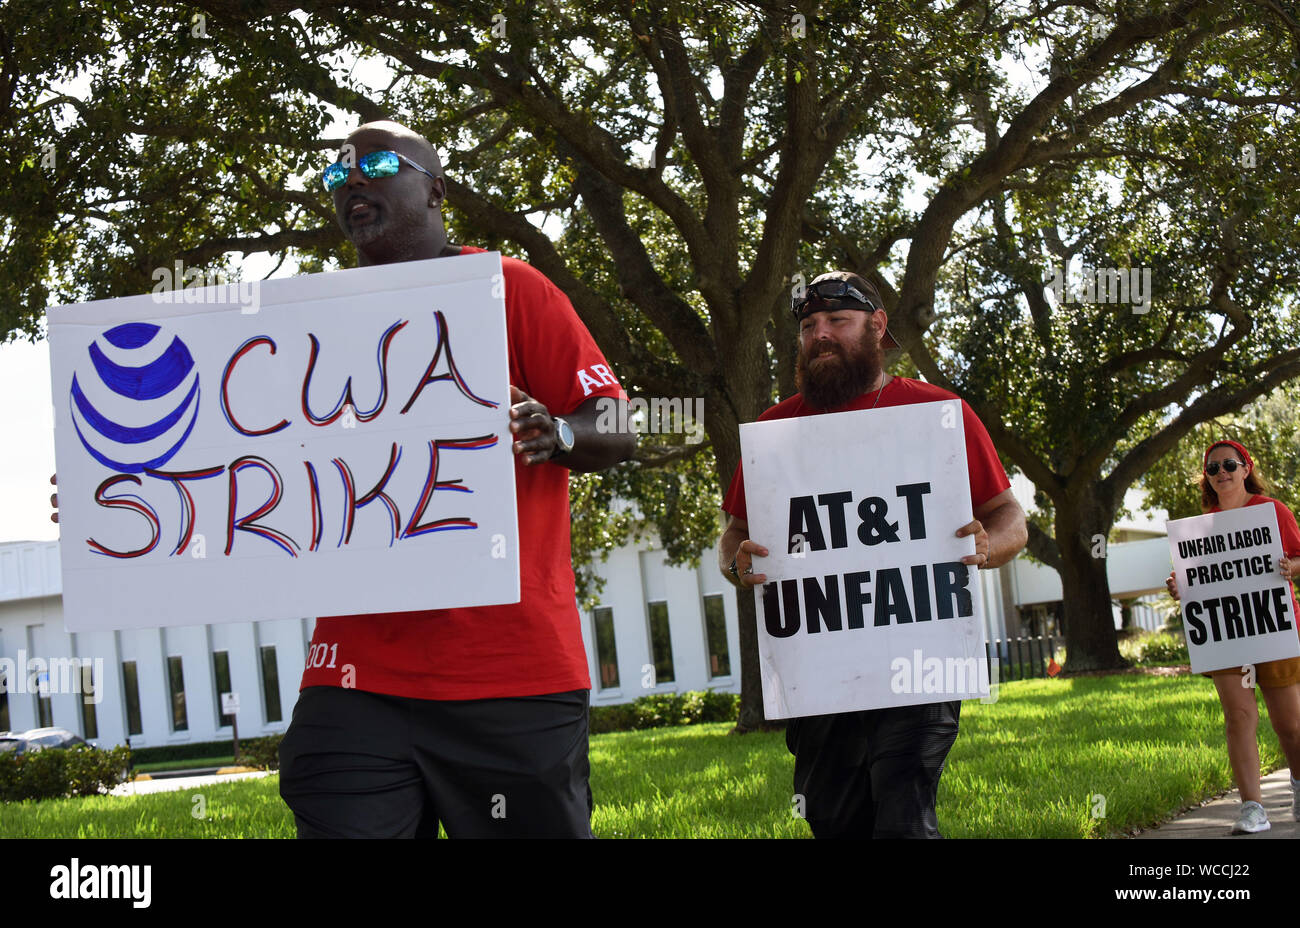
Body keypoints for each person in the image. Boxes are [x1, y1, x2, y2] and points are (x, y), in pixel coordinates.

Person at [716, 270, 1027, 838]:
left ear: (877, 327)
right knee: (836, 820)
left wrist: (989, 545)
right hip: (817, 671)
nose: (821, 335)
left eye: (837, 321)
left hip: (919, 660)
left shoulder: (938, 413)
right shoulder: (773, 429)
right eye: (809, 326)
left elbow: (1011, 518)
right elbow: (734, 534)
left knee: (904, 817)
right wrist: (739, 561)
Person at [1164, 439, 1300, 834]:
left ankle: (1297, 785)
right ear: (1207, 478)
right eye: (1213, 468)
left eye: (1229, 465)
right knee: (1238, 717)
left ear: (1245, 468)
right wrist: (1180, 586)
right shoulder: (1201, 527)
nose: (1221, 472)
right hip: (1225, 634)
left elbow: (1298, 558)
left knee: (1289, 723)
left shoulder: (1273, 511)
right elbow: (1198, 581)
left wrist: (1289, 568)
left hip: (1274, 626)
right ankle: (1252, 807)